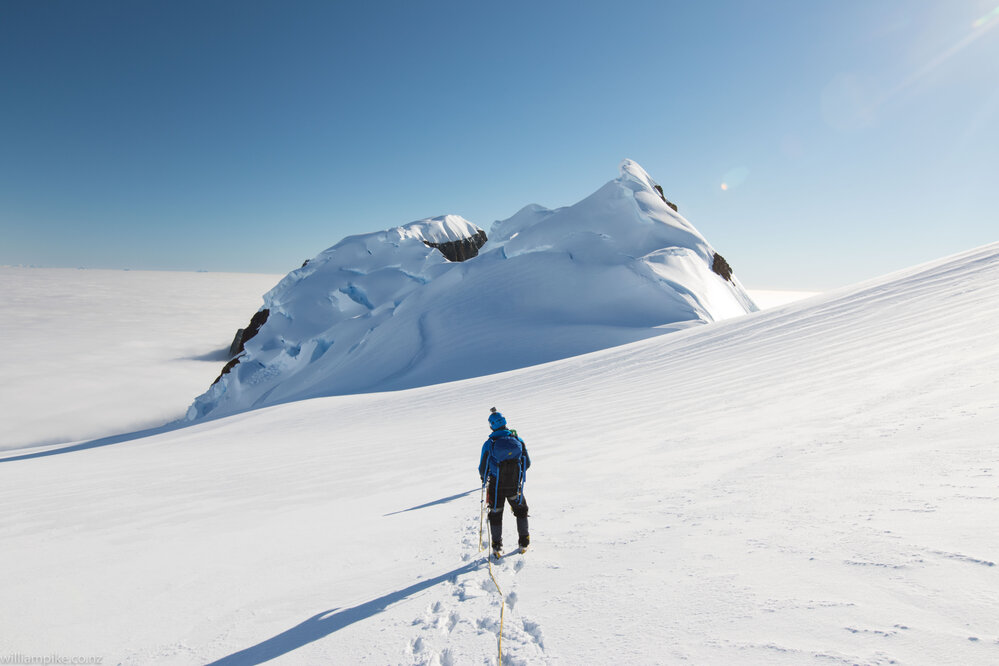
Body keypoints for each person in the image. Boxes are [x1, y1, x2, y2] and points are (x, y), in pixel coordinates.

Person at [478, 407, 530, 556]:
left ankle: (497, 546)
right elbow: (527, 463)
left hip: (496, 487)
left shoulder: (489, 444)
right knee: (521, 511)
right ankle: (524, 541)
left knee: (496, 514)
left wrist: (485, 478)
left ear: (491, 426)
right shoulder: (518, 440)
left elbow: (483, 468)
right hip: (514, 485)